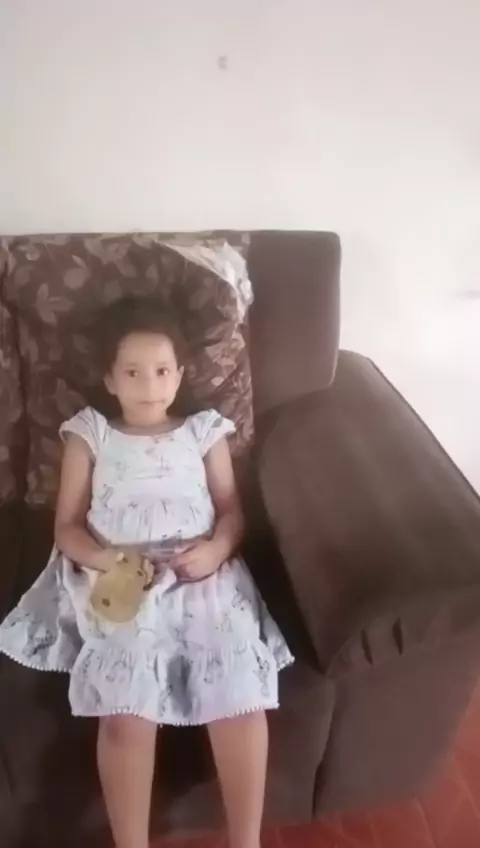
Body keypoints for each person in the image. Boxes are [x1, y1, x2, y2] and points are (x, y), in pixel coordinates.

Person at [0, 294, 293, 848]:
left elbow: (232, 513)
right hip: (121, 575)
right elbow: (66, 528)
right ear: (110, 379)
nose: (149, 384)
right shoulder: (90, 433)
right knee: (126, 710)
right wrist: (107, 559)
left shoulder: (203, 432)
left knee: (239, 695)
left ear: (179, 374)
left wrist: (216, 549)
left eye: (161, 370)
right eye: (132, 372)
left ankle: (246, 841)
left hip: (203, 573)